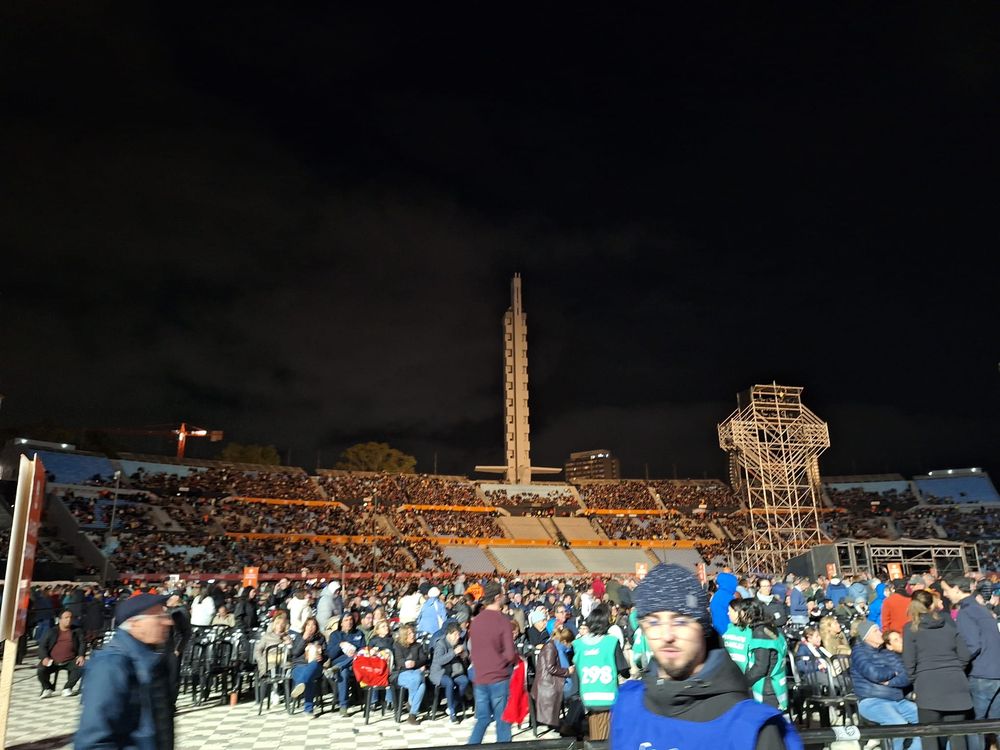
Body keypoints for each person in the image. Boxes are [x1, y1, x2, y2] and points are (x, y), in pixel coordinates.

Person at [610, 563, 801, 750]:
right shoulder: (628, 707)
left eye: (680, 621)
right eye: (654, 622)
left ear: (702, 626)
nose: (667, 635)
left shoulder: (753, 729)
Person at [75, 593, 175, 750]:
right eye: (159, 616)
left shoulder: (152, 660)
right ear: (135, 624)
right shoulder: (111, 665)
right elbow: (94, 741)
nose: (168, 621)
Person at [903, 589, 972, 750]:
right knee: (958, 738)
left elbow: (909, 662)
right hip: (956, 684)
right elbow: (965, 654)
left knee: (930, 739)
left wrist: (917, 681)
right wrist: (955, 669)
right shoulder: (948, 623)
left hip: (928, 687)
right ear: (932, 604)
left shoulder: (911, 628)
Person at [944, 575, 1000, 750]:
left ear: (956, 589)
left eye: (946, 590)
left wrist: (958, 666)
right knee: (995, 723)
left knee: (975, 725)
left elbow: (971, 645)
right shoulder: (980, 609)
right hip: (995, 671)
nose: (945, 594)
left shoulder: (966, 613)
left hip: (981, 674)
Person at [850, 619, 921, 750]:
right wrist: (893, 672)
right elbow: (874, 674)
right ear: (866, 636)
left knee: (924, 718)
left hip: (898, 700)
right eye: (875, 631)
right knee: (898, 725)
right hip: (873, 701)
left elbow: (907, 675)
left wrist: (891, 682)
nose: (880, 633)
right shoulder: (859, 652)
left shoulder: (886, 652)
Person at [468, 581, 517, 744]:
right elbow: (510, 654)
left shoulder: (476, 621)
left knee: (482, 719)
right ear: (497, 597)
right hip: (499, 677)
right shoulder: (503, 621)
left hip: (480, 677)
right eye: (503, 594)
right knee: (503, 722)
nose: (504, 597)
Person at [573, 603, 630, 739]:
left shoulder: (578, 644)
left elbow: (576, 669)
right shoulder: (611, 641)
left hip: (588, 696)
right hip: (608, 696)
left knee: (595, 733)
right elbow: (623, 669)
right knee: (607, 736)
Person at [724, 599, 788, 710]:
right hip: (775, 684)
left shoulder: (760, 633)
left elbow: (761, 666)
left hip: (766, 687)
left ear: (746, 613)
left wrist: (743, 682)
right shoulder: (769, 628)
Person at [37, 609, 85, 698]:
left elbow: (82, 643)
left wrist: (81, 655)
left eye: (71, 617)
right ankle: (47, 688)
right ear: (60, 619)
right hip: (53, 661)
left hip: (70, 660)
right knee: (41, 670)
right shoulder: (51, 631)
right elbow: (42, 646)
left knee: (81, 667)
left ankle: (67, 688)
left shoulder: (77, 630)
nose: (69, 620)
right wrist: (44, 657)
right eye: (66, 618)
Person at [430, 621, 470, 723]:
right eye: (455, 634)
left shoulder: (459, 642)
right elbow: (439, 661)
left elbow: (466, 654)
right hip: (439, 672)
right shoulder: (441, 643)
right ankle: (452, 713)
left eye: (458, 634)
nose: (458, 637)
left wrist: (464, 655)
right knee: (449, 683)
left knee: (464, 681)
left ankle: (452, 705)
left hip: (454, 672)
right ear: (449, 634)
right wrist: (454, 652)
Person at [326, 611, 365, 716]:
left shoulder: (359, 634)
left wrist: (356, 652)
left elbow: (363, 650)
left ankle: (338, 667)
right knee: (344, 672)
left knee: (354, 659)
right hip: (340, 662)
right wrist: (340, 645)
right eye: (346, 620)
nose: (349, 622)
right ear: (341, 623)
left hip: (356, 663)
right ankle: (343, 706)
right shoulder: (335, 635)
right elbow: (331, 655)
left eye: (351, 619)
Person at [288, 616, 327, 716]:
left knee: (310, 671)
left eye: (313, 625)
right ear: (305, 627)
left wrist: (322, 657)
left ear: (316, 627)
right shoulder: (299, 637)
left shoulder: (321, 638)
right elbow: (295, 653)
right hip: (299, 666)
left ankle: (300, 684)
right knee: (309, 678)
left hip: (315, 666)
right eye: (308, 625)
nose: (311, 627)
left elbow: (326, 654)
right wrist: (304, 639)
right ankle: (308, 710)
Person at [391, 623, 428, 725]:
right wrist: (406, 664)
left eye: (413, 633)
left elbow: (423, 659)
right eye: (409, 633)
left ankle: (412, 715)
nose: (413, 635)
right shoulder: (397, 645)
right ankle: (411, 704)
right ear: (404, 635)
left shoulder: (418, 645)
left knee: (421, 682)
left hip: (415, 672)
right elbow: (399, 661)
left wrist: (414, 663)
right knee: (420, 681)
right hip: (401, 673)